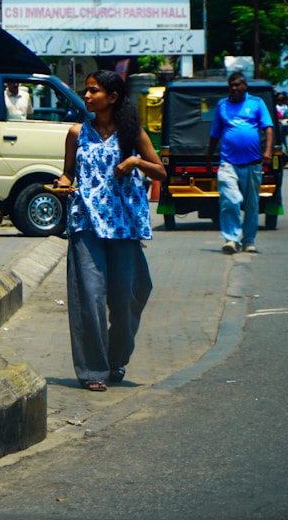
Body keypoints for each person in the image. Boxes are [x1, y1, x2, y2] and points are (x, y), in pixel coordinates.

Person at [52, 70, 165, 392]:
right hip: (85, 223)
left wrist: (135, 163)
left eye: (93, 91)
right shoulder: (77, 133)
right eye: (86, 91)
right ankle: (93, 371)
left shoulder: (133, 134)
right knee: (89, 297)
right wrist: (62, 184)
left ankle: (117, 358)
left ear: (112, 97)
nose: (86, 96)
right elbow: (68, 172)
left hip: (124, 226)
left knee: (131, 295)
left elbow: (160, 170)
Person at [206, 71, 275, 254]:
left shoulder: (256, 103)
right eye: (232, 85)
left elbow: (268, 128)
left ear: (245, 86)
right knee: (231, 199)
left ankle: (249, 241)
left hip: (253, 162)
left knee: (252, 204)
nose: (235, 88)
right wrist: (209, 156)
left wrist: (268, 150)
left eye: (238, 85)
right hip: (228, 162)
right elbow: (215, 134)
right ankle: (231, 239)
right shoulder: (222, 106)